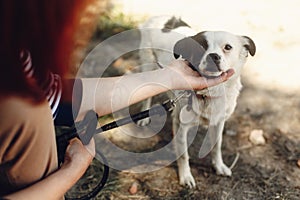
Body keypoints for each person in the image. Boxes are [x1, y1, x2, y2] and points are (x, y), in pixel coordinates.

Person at [0, 0, 234, 199]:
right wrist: (71, 172)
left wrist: (168, 78)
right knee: (26, 112)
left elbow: (54, 96)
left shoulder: (14, 56)